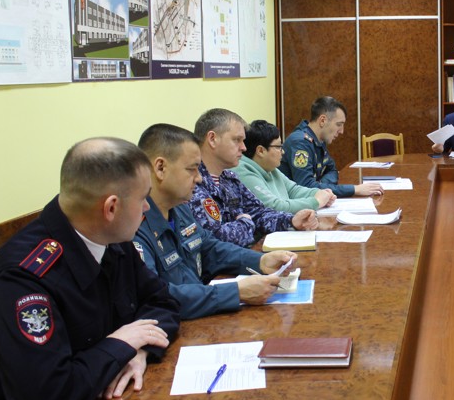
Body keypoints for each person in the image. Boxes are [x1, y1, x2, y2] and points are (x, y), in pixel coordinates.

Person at [0, 138, 180, 400]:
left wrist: (140, 351)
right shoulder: (23, 278)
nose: (148, 208)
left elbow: (162, 301)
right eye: (142, 199)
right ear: (111, 208)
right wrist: (122, 342)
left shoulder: (110, 240)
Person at [135, 124, 297, 319]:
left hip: (200, 318)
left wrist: (260, 261)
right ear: (160, 168)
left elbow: (210, 248)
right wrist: (235, 292)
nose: (199, 178)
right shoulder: (133, 226)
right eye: (192, 169)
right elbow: (158, 296)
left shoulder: (179, 209)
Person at [190, 108, 318, 248]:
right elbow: (216, 240)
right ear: (212, 139)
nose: (244, 148)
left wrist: (292, 220)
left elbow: (259, 213)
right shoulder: (191, 183)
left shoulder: (229, 178)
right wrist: (246, 222)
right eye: (237, 140)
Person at [279, 96, 383, 198]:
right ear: (323, 120)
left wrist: (322, 185)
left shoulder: (318, 139)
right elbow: (307, 187)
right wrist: (354, 189)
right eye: (339, 124)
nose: (342, 131)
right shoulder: (300, 142)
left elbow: (332, 170)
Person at [234, 119, 336, 213]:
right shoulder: (243, 172)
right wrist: (316, 201)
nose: (283, 151)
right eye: (278, 147)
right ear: (261, 151)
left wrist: (319, 193)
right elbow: (274, 207)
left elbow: (293, 190)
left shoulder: (269, 168)